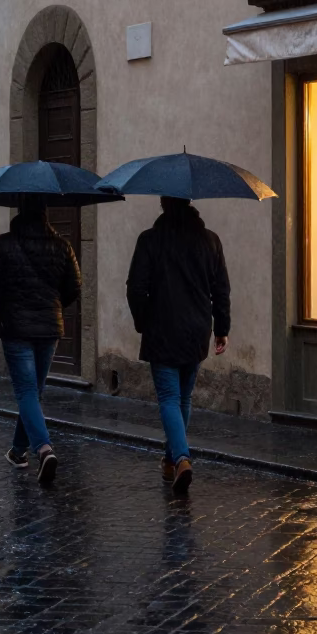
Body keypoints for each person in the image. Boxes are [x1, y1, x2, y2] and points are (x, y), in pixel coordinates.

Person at [127, 196, 230, 494]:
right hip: (197, 329)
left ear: (163, 204)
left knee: (170, 398)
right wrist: (221, 328)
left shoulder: (150, 240)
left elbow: (135, 288)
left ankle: (183, 458)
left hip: (162, 328)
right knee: (183, 399)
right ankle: (171, 461)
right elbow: (221, 289)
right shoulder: (210, 241)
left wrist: (143, 322)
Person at [0, 195, 81, 485]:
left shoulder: (3, 243)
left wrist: (6, 310)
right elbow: (74, 286)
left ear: (20, 211)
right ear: (45, 213)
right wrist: (53, 306)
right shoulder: (62, 245)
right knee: (33, 391)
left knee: (25, 391)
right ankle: (18, 451)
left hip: (16, 329)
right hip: (49, 327)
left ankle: (44, 448)